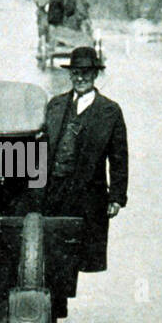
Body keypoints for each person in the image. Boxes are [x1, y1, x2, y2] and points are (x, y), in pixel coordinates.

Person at [42, 46, 128, 277]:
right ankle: (55, 308)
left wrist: (117, 197)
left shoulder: (110, 111)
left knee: (77, 255)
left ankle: (62, 303)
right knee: (48, 251)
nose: (80, 78)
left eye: (86, 73)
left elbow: (119, 157)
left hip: (88, 195)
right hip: (53, 190)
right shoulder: (55, 105)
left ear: (95, 75)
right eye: (75, 73)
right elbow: (39, 145)